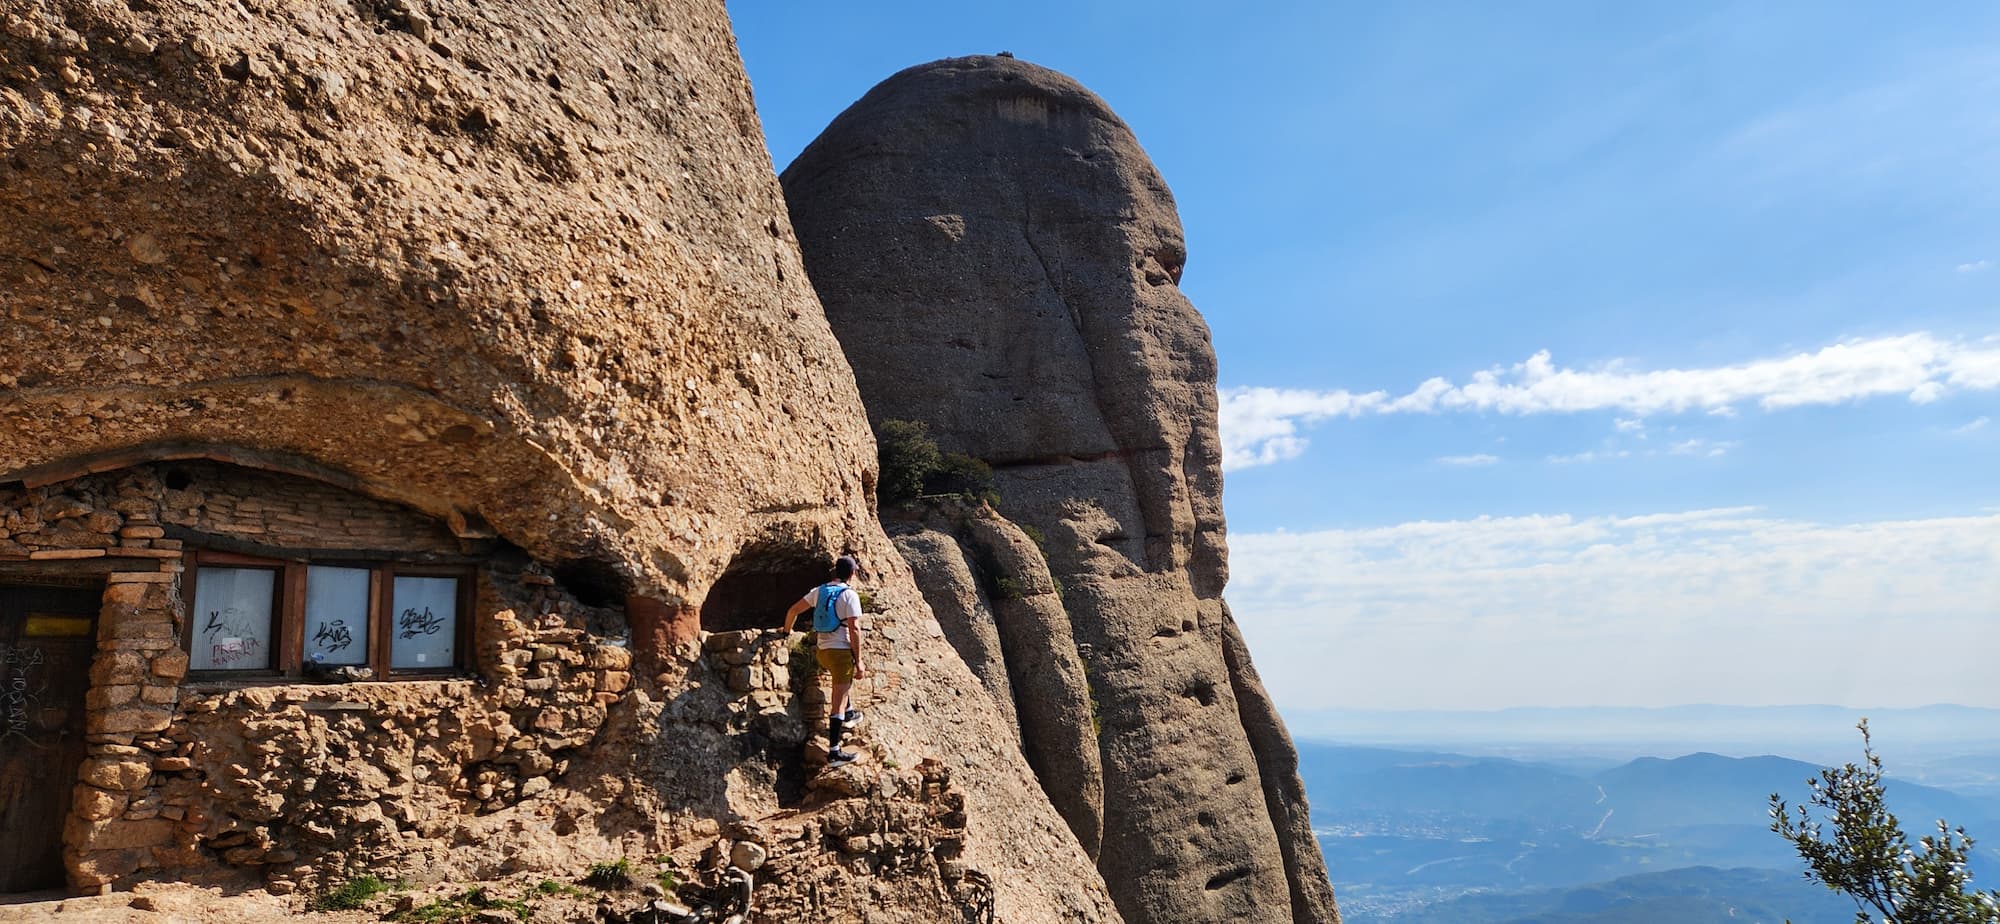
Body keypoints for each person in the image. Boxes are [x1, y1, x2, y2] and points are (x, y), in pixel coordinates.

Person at [782, 554, 868, 766]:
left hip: (823, 651)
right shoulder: (849, 595)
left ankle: (849, 713)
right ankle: (834, 752)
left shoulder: (819, 591)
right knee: (837, 702)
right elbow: (854, 629)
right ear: (853, 573)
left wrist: (786, 633)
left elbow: (793, 610)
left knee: (841, 689)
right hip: (840, 653)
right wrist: (859, 661)